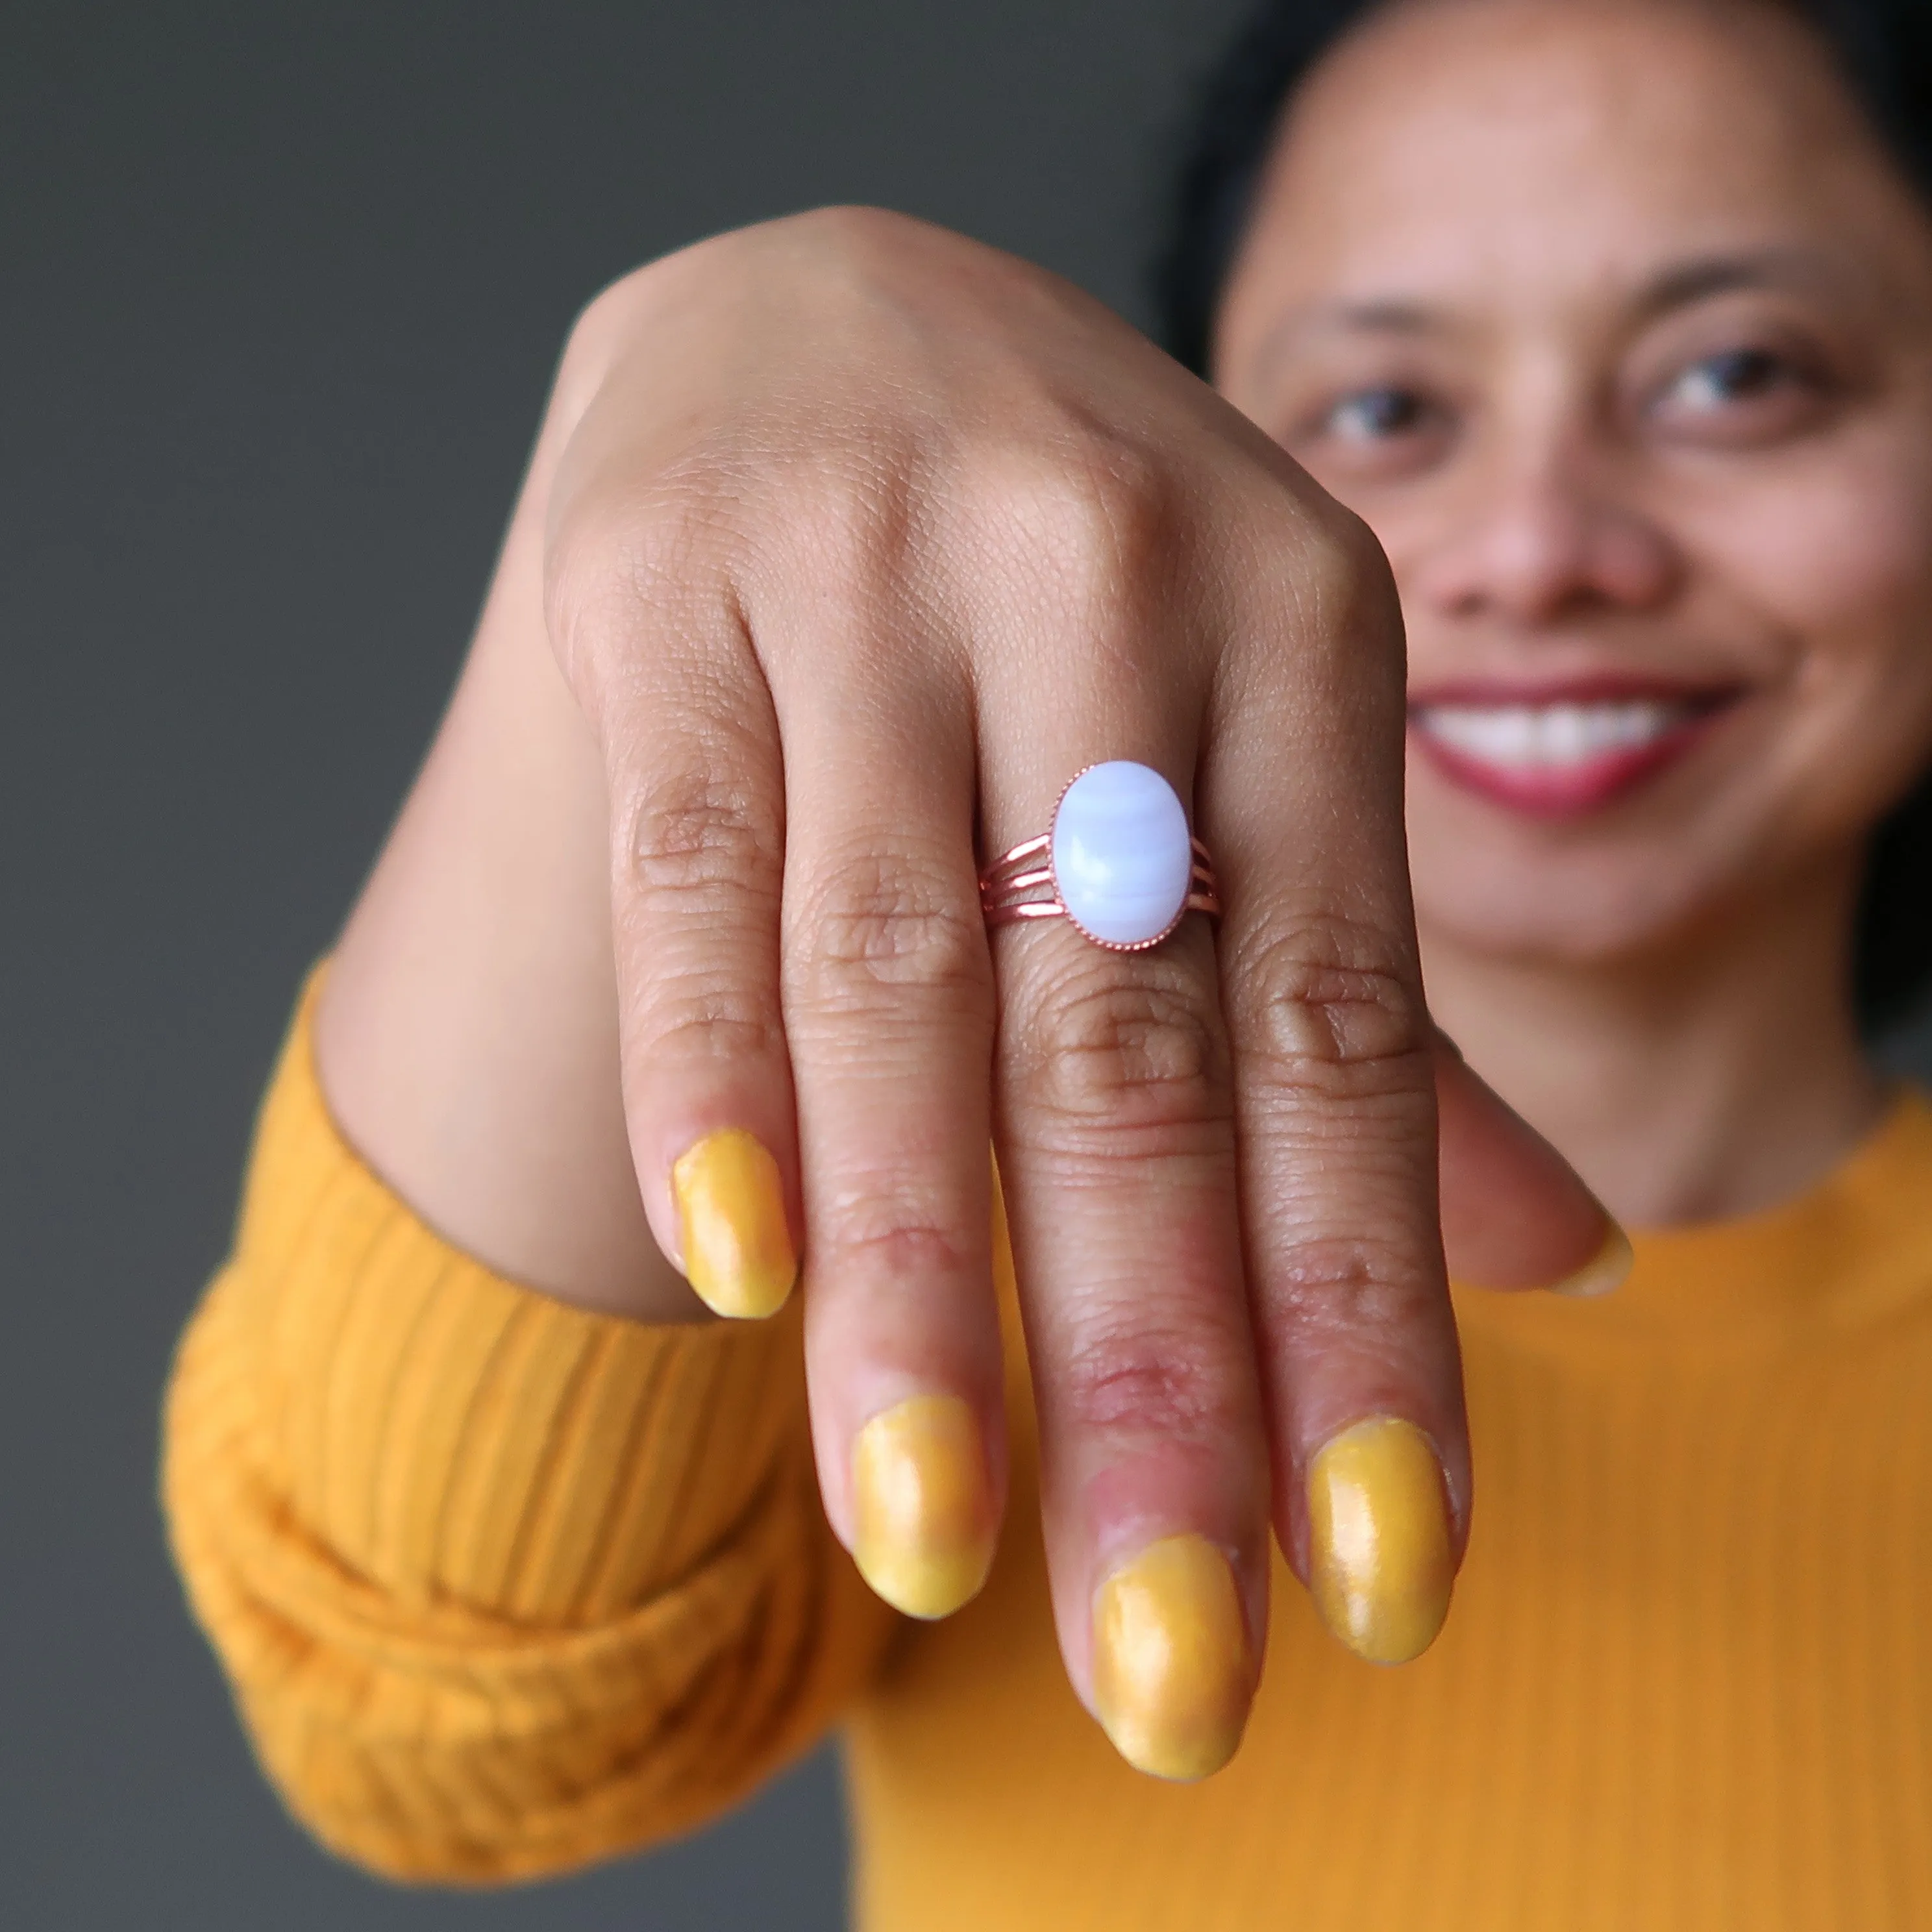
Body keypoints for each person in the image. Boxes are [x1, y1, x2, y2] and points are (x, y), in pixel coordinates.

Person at [162, 0, 1932, 1923]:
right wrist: (652, 387)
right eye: (1385, 411)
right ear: (1171, 503)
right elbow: (431, 1724)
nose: (1540, 544)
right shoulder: (911, 1244)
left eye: (1738, 376)